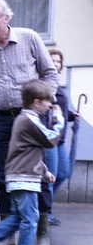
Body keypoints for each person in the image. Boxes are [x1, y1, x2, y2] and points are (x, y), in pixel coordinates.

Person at [0, 0, 59, 245]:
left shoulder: (30, 37)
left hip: (31, 117)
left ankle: (42, 234)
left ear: (6, 18)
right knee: (5, 177)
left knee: (38, 174)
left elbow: (50, 74)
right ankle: (7, 234)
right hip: (0, 120)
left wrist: (46, 101)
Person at [0, 80, 62, 245]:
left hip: (18, 177)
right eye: (48, 102)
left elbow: (29, 152)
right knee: (30, 219)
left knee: (18, 217)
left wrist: (44, 172)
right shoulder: (30, 120)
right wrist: (58, 120)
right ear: (36, 102)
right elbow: (50, 138)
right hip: (24, 179)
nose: (50, 106)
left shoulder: (24, 119)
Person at [47, 48, 78, 222]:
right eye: (52, 60)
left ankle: (43, 207)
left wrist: (73, 116)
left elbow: (62, 109)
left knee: (63, 173)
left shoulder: (57, 85)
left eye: (58, 61)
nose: (55, 63)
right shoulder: (44, 84)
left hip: (60, 139)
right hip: (50, 139)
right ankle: (45, 213)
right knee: (50, 176)